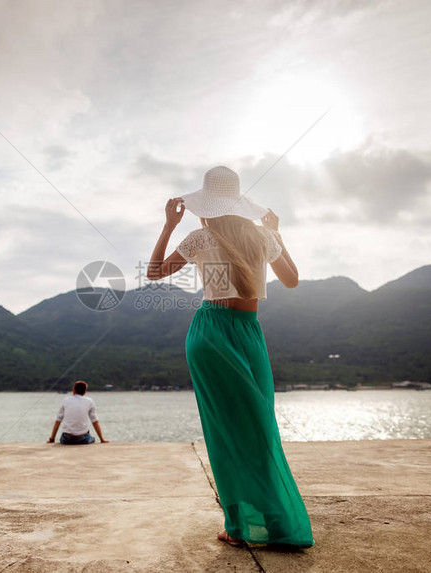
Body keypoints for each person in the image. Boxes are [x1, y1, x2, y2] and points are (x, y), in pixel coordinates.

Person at [146, 166, 313, 548]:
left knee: (234, 430)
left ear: (208, 204)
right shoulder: (260, 237)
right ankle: (249, 524)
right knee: (256, 428)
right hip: (238, 331)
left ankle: (245, 524)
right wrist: (277, 235)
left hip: (217, 333)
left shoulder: (200, 235)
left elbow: (154, 272)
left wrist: (168, 226)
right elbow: (291, 279)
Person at [47, 380, 109, 444]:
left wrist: (52, 438)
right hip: (83, 438)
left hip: (67, 439)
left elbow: (58, 421)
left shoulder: (65, 401)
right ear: (84, 392)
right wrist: (102, 439)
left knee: (64, 437)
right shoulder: (90, 401)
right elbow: (95, 421)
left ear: (74, 390)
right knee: (92, 438)